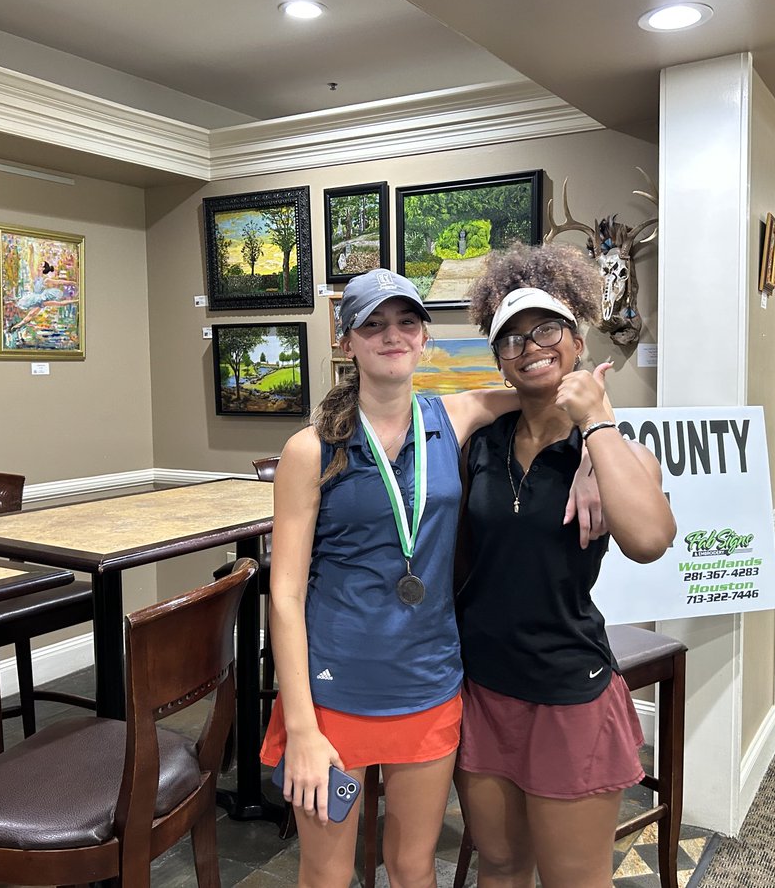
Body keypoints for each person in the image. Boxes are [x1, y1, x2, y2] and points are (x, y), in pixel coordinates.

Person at [261, 268, 602, 888]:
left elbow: (557, 394)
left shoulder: (456, 415)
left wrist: (595, 457)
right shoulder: (310, 450)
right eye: (373, 324)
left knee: (414, 866)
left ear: (424, 339)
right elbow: (283, 596)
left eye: (406, 323)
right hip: (334, 691)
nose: (392, 335)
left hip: (430, 682)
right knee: (327, 873)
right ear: (347, 342)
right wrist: (302, 728)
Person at [454, 243, 676, 888]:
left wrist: (598, 425)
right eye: (511, 338)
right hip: (482, 685)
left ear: (578, 341)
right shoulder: (478, 447)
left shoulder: (612, 452)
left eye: (546, 328)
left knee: (573, 880)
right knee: (499, 865)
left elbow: (649, 539)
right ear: (499, 359)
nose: (530, 346)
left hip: (566, 688)